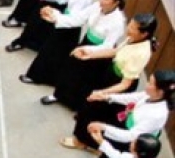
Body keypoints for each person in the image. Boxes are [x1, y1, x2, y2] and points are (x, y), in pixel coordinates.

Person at [63, 14, 157, 151]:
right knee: (92, 108)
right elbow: (116, 52)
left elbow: (125, 84)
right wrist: (90, 55)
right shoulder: (133, 39)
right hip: (111, 75)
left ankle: (83, 141)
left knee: (96, 112)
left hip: (118, 84)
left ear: (144, 34)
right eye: (129, 25)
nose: (128, 29)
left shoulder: (141, 53)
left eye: (132, 28)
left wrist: (103, 93)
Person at [39, 0, 127, 109]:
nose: (101, 0)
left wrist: (87, 50)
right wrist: (55, 17)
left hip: (99, 52)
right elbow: (79, 19)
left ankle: (78, 106)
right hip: (87, 41)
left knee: (87, 80)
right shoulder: (97, 6)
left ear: (116, 2)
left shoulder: (118, 22)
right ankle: (59, 95)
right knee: (70, 70)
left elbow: (108, 46)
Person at [85, 70, 175, 158]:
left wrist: (103, 128)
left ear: (160, 91)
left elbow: (131, 136)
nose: (147, 85)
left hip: (131, 141)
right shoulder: (151, 96)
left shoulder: (157, 114)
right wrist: (107, 97)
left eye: (151, 83)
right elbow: (134, 97)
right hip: (127, 133)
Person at [19, 0, 95, 85]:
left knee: (51, 52)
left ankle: (38, 76)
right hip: (64, 21)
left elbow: (75, 17)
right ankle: (46, 77)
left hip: (69, 26)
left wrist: (56, 16)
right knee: (53, 52)